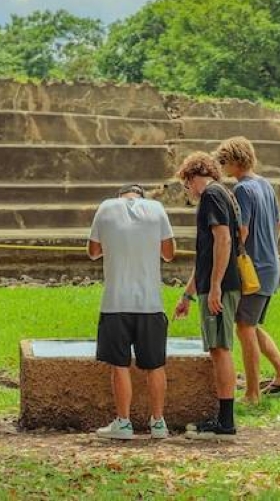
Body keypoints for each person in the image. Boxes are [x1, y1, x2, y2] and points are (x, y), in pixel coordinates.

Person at [87, 183, 176, 440]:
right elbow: (169, 254)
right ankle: (158, 422)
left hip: (116, 301)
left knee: (119, 364)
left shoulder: (105, 208)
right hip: (150, 302)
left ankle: (124, 422)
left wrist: (116, 244)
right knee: (155, 365)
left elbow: (93, 252)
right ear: (141, 197)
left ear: (120, 197)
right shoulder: (157, 209)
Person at [214, 136, 280, 405]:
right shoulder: (265, 185)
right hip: (270, 263)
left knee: (244, 327)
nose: (222, 167)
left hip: (254, 267)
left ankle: (252, 392)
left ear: (236, 161)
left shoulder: (241, 190)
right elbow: (278, 225)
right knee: (251, 323)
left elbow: (243, 230)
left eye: (224, 161)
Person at [173, 152, 241, 441]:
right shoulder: (223, 195)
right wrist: (188, 295)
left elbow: (223, 239)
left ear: (192, 177)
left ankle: (225, 422)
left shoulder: (212, 196)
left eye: (186, 184)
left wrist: (215, 286)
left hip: (221, 286)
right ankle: (223, 418)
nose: (187, 191)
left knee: (220, 347)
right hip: (214, 284)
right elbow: (205, 255)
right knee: (217, 346)